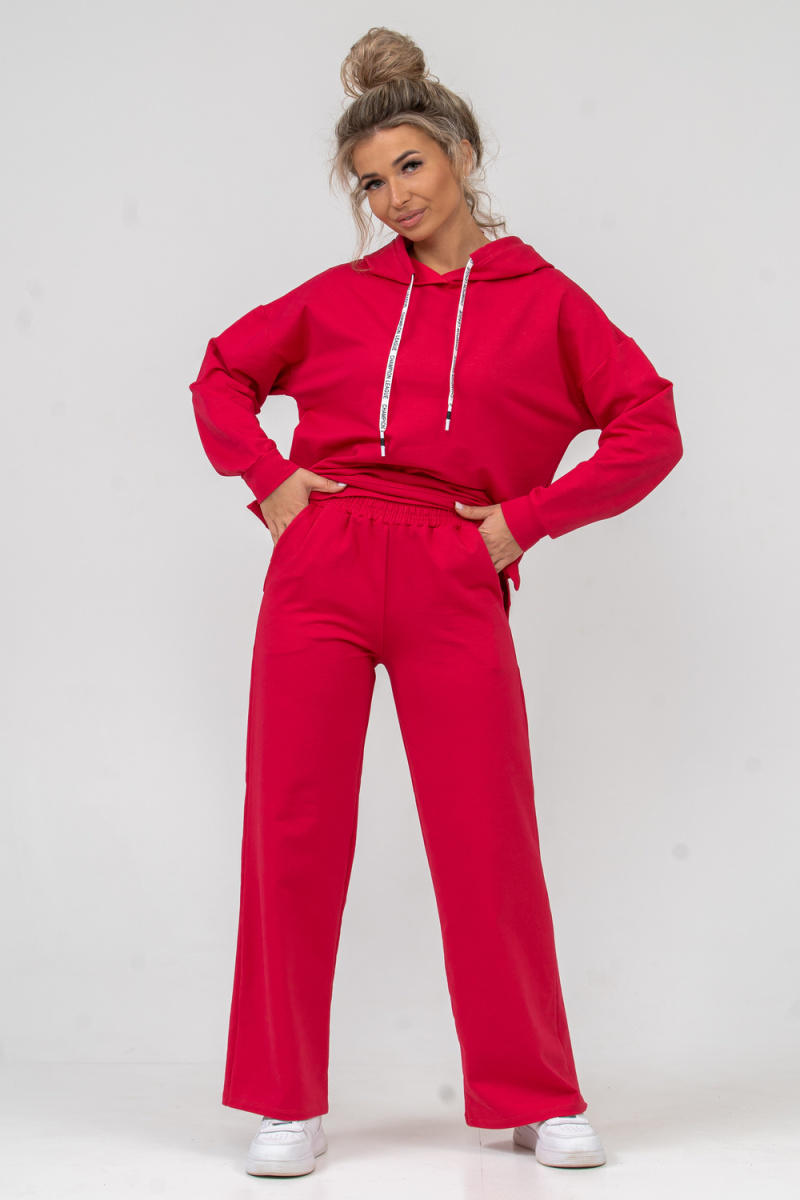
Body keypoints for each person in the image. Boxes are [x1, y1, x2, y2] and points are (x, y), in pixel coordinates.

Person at [189, 26, 682, 1179]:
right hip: (322, 562)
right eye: (370, 182)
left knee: (484, 836)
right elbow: (221, 373)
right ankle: (285, 1098)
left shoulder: (546, 302)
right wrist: (270, 482)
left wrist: (524, 520)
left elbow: (649, 425)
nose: (393, 196)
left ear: (460, 153)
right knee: (292, 830)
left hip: (455, 567)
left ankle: (533, 1094)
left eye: (408, 165)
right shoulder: (341, 296)